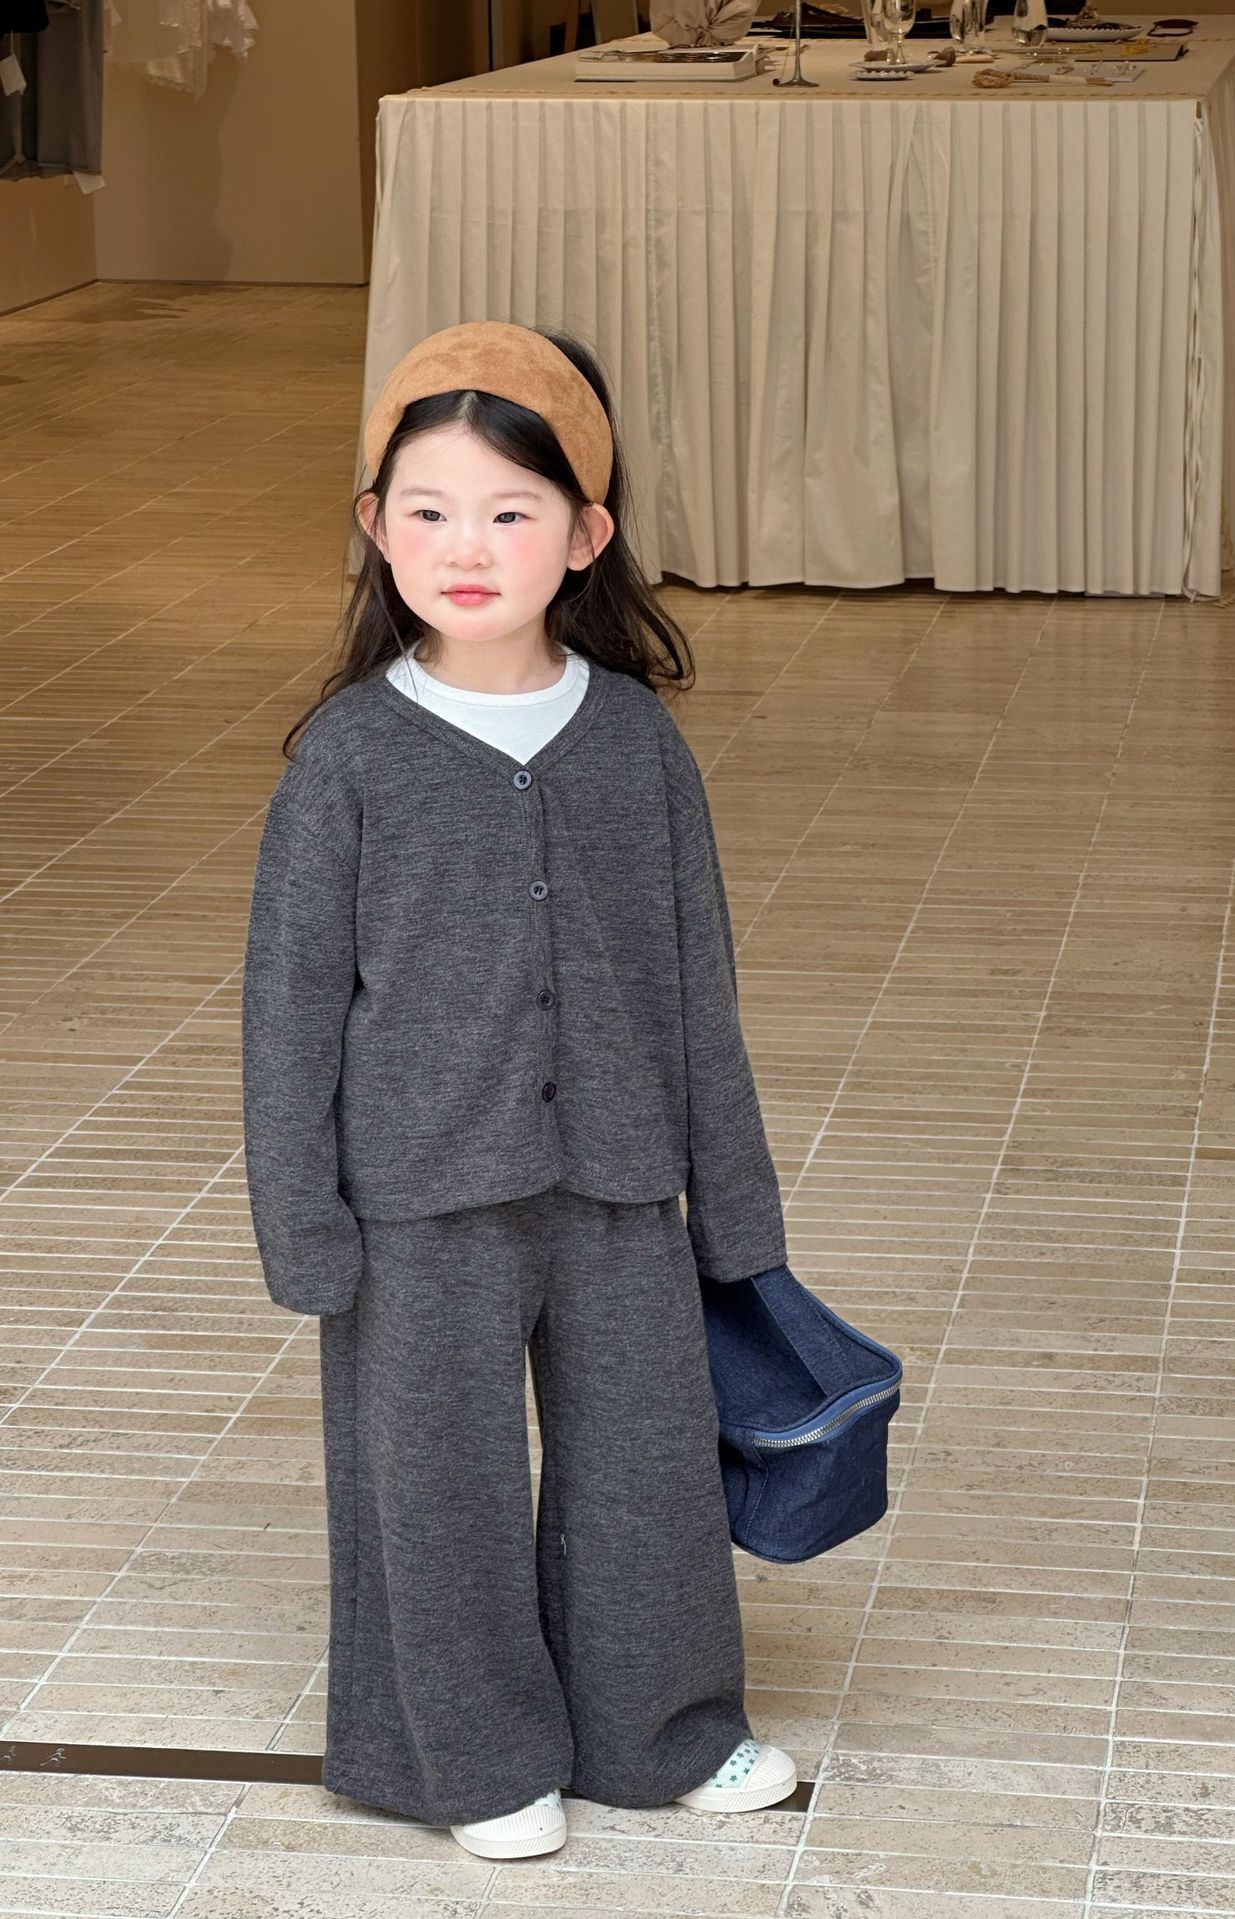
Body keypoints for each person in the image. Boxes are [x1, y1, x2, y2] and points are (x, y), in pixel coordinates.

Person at [239, 320, 798, 1863]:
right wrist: (303, 1221)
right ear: (375, 527)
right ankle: (470, 1755)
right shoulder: (347, 759)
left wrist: (734, 1210)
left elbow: (696, 989)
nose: (465, 547)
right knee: (435, 1492)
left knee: (647, 1475)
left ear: (586, 536)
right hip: (413, 1204)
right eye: (427, 510)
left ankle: (660, 1729)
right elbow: (287, 1014)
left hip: (619, 1185)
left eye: (509, 511)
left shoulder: (635, 743)